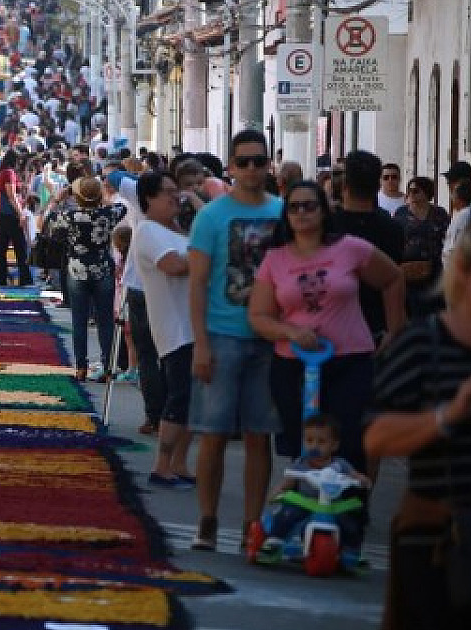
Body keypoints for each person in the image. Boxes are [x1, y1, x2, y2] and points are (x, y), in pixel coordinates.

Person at [366, 214, 471, 629]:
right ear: (464, 271)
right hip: (440, 542)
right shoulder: (424, 342)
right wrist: (449, 415)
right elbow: (376, 438)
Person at [249, 180, 404, 475]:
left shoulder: (351, 248)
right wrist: (291, 332)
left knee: (350, 444)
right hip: (295, 365)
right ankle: (305, 500)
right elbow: (259, 316)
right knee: (304, 446)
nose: (301, 213)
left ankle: (351, 502)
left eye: (309, 205)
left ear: (324, 211)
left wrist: (395, 330)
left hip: (350, 361)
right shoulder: (275, 259)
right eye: (294, 207)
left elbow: (393, 278)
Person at [186, 129, 283, 551]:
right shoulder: (211, 217)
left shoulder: (282, 212)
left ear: (268, 165)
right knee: (214, 434)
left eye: (259, 161)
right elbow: (197, 283)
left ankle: (252, 526)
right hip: (222, 335)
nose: (251, 169)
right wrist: (200, 343)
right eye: (243, 162)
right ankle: (207, 520)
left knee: (261, 436)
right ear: (230, 167)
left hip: (271, 339)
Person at [131, 170, 194, 485]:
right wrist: (207, 249)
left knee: (193, 400)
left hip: (195, 325)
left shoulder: (179, 231)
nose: (176, 197)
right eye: (168, 192)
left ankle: (179, 463)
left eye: (176, 190)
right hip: (175, 328)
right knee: (179, 396)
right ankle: (162, 465)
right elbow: (175, 266)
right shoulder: (148, 231)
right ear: (149, 198)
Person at [46, 177, 126, 381]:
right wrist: (101, 199)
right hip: (102, 270)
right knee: (105, 321)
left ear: (77, 197)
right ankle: (108, 368)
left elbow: (47, 222)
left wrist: (58, 198)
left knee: (79, 320)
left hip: (77, 271)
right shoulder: (108, 214)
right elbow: (122, 208)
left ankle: (81, 367)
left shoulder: (69, 216)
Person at [258, 415, 371, 558]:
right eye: (309, 441)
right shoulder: (301, 464)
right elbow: (288, 482)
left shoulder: (340, 464)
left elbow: (354, 475)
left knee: (349, 523)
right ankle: (275, 541)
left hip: (331, 505)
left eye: (321, 442)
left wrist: (360, 479)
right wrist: (278, 491)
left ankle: (351, 550)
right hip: (305, 503)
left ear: (334, 445)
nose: (314, 446)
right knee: (288, 514)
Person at [330, 150, 405, 342]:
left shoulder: (328, 226)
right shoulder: (392, 228)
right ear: (377, 185)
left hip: (334, 324)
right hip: (378, 325)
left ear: (345, 185)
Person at [395, 176, 450, 318]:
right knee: (412, 311)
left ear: (427, 192)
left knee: (434, 310)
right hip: (409, 272)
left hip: (434, 270)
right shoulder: (401, 213)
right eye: (409, 191)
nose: (411, 195)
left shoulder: (439, 213)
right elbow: (394, 238)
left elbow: (448, 238)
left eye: (416, 191)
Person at [0, 149, 33, 285]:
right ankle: (25, 279)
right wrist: (20, 214)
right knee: (20, 247)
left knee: (2, 247)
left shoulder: (1, 172)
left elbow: (1, 194)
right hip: (9, 214)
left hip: (1, 212)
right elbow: (12, 196)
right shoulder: (9, 173)